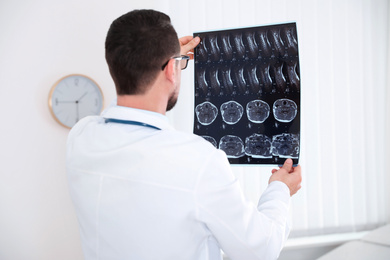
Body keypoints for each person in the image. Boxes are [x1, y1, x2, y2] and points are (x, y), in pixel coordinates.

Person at [66, 9, 302, 260]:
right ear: (171, 69)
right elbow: (260, 249)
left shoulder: (81, 137)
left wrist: (166, 59)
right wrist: (280, 190)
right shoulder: (198, 160)